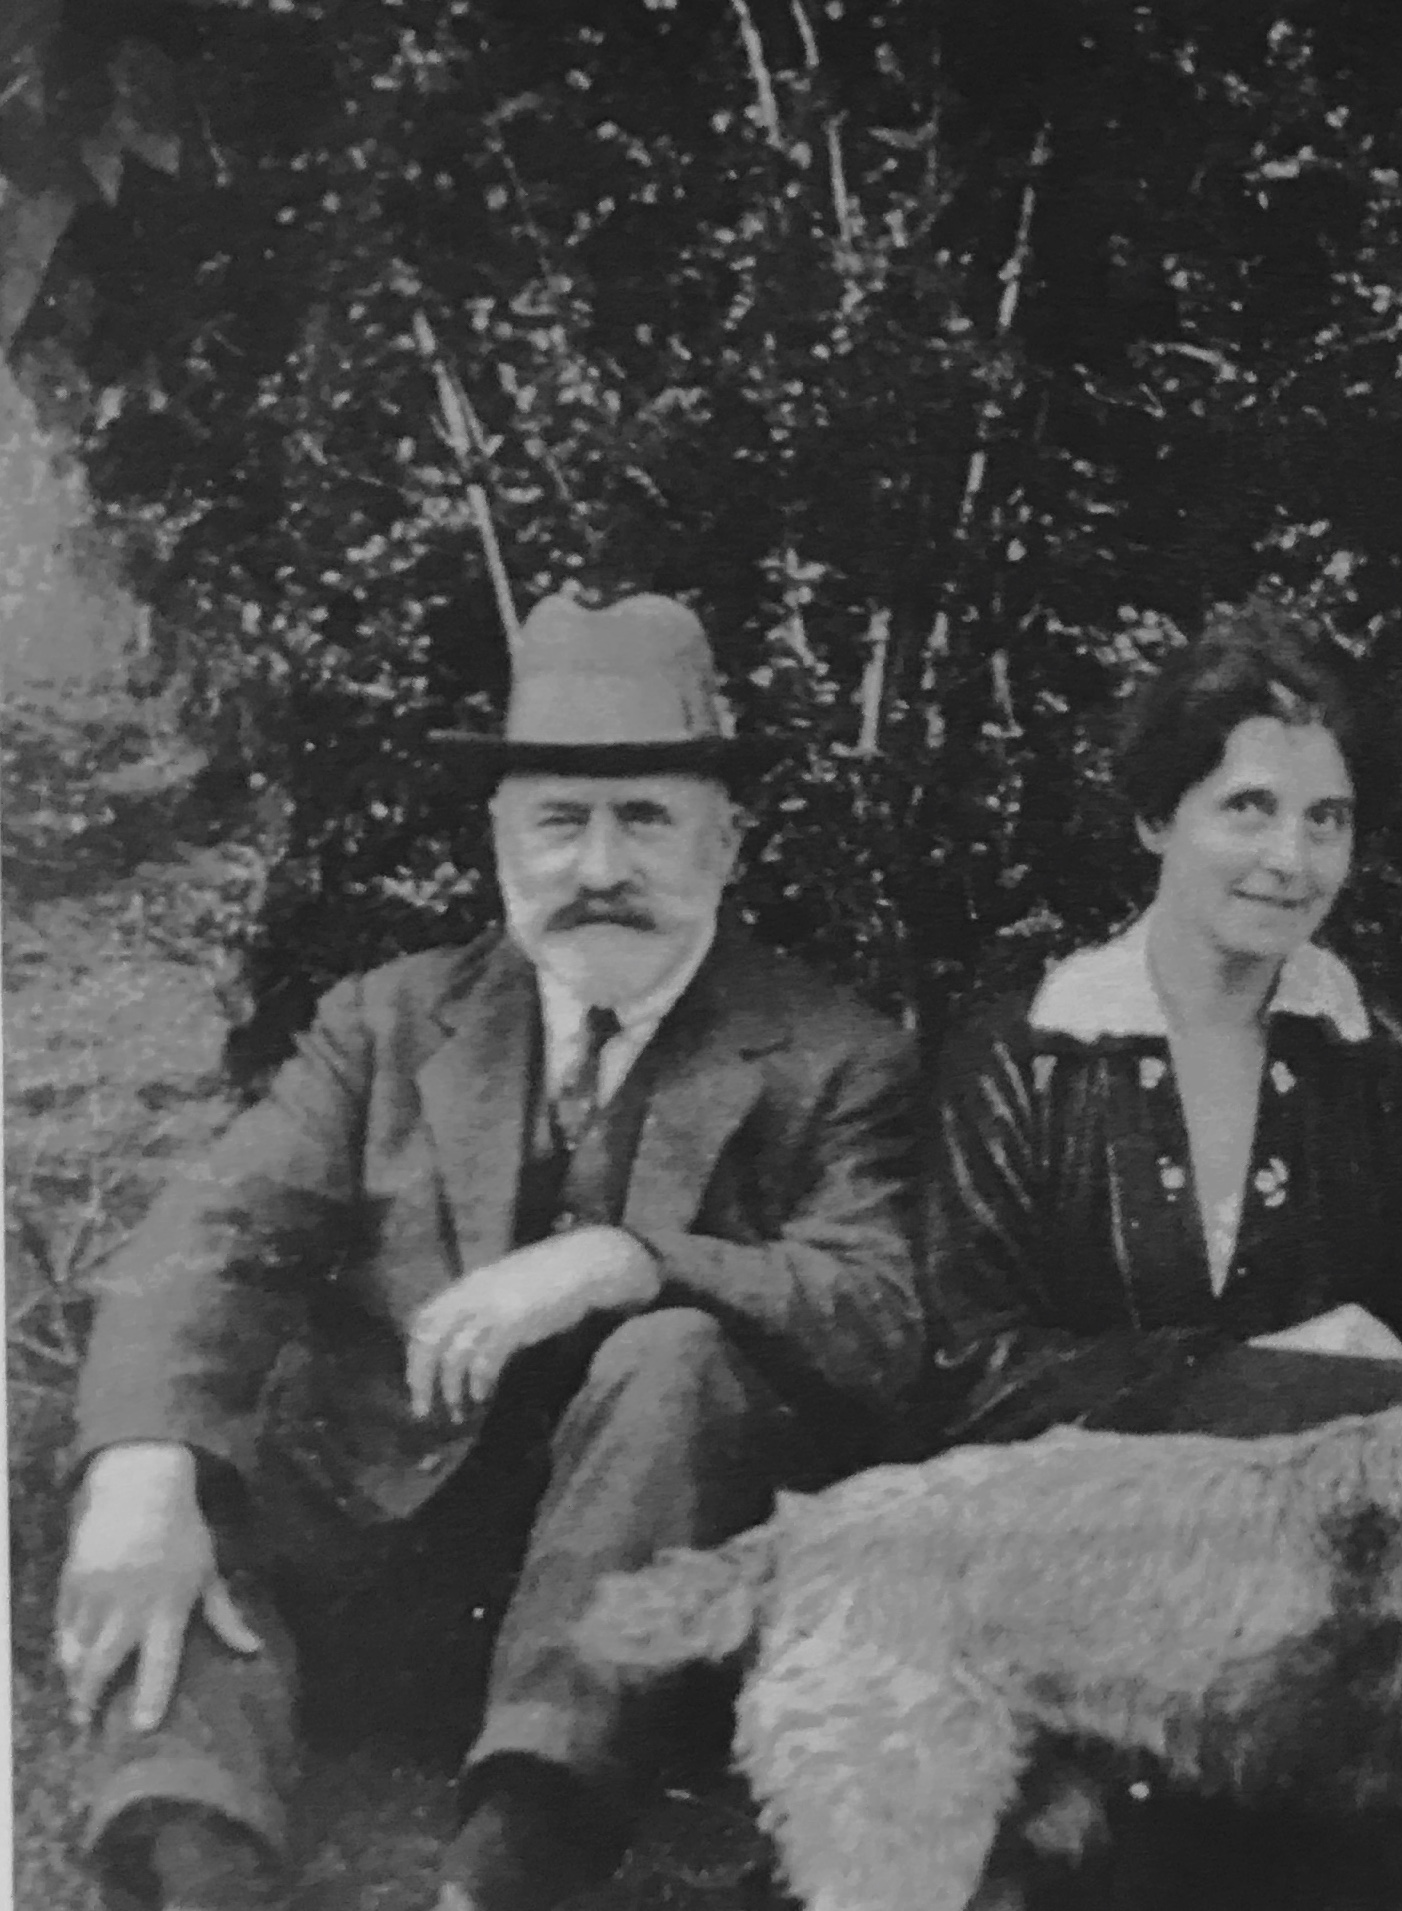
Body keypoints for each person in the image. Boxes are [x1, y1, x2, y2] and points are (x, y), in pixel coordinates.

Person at [55, 592, 928, 1911]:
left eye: (646, 819)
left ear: (728, 839)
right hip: (382, 1567)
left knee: (676, 1353)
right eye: (559, 821)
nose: (598, 866)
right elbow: (214, 1234)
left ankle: (515, 1859)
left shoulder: (833, 1053)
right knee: (177, 1446)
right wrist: (141, 1465)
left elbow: (883, 1312)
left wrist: (634, 1255)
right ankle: (199, 1853)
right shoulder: (391, 1020)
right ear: (499, 837)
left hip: (636, 1618)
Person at [913, 598, 1402, 1453]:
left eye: (1326, 818)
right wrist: (1260, 1381)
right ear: (1157, 817)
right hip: (1069, 1520)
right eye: (1249, 807)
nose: (1289, 859)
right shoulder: (1025, 1062)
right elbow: (972, 1376)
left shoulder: (1384, 1067)